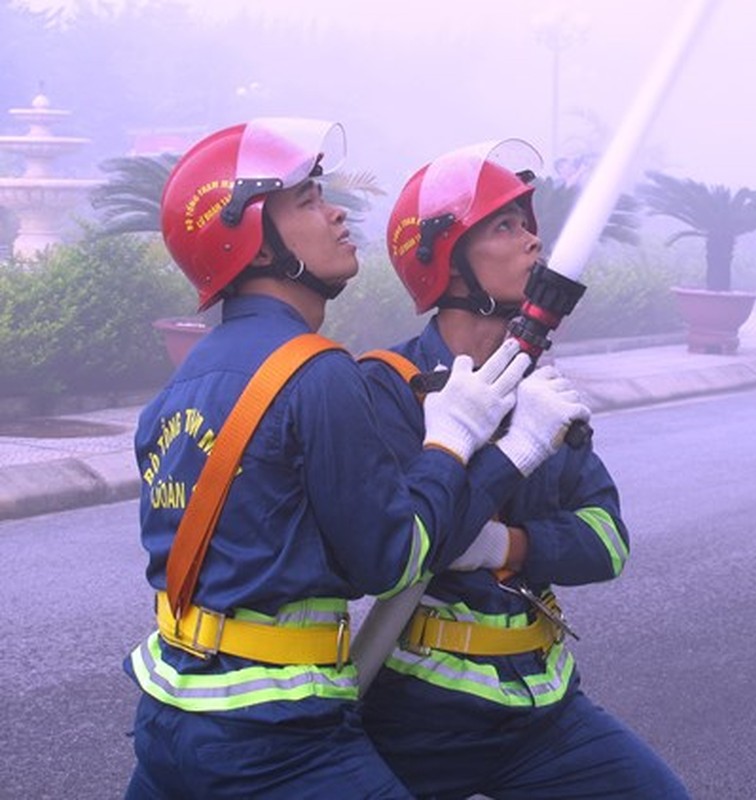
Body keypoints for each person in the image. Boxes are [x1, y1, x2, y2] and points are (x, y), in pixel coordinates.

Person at [122, 119, 584, 799]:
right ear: (249, 237)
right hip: (274, 740)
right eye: (306, 201)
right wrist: (464, 442)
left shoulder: (187, 382)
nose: (335, 210)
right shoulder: (319, 375)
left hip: (169, 718)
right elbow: (393, 559)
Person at [359, 139, 692, 799]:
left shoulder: (541, 391)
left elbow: (607, 542)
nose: (532, 242)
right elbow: (406, 547)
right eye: (504, 227)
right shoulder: (387, 389)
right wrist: (506, 457)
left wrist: (508, 546)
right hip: (421, 715)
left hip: (544, 707)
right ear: (446, 262)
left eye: (529, 224)